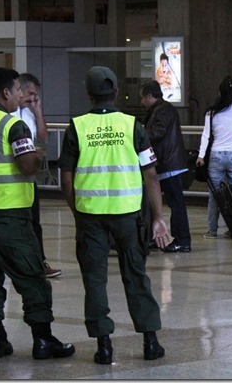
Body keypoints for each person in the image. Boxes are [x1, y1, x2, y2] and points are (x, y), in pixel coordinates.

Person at [0, 67, 75, 360]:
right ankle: (43, 340)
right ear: (5, 93)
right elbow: (28, 166)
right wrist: (38, 153)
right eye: (18, 89)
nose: (21, 94)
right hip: (8, 215)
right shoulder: (13, 126)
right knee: (31, 276)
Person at [59, 66, 169, 363]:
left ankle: (104, 347)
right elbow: (151, 175)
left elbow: (66, 178)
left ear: (89, 96)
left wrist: (77, 209)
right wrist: (158, 217)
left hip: (90, 217)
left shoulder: (77, 127)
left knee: (94, 280)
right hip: (128, 217)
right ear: (117, 93)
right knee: (136, 276)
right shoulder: (133, 126)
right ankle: (150, 342)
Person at [10, 73, 61, 278]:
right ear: (18, 90)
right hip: (11, 178)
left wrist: (37, 110)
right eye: (30, 93)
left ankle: (39, 262)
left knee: (33, 222)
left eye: (36, 95)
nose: (32, 98)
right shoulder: (8, 115)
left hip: (28, 178)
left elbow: (42, 135)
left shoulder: (29, 114)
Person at [139, 80, 192, 253]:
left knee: (176, 204)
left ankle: (182, 240)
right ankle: (158, 237)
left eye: (142, 98)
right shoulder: (161, 109)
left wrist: (139, 136)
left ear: (149, 96)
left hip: (169, 164)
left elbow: (158, 132)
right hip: (167, 163)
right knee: (166, 202)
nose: (141, 102)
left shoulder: (162, 110)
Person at [196, 76, 232, 239]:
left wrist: (201, 155)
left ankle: (212, 230)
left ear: (219, 92)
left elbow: (206, 135)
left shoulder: (211, 112)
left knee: (214, 196)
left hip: (216, 155)